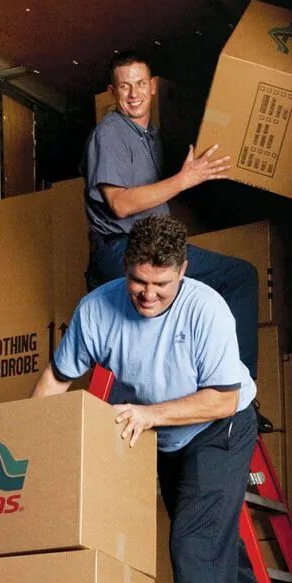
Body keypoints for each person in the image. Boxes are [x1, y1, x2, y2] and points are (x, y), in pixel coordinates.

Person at [33, 215, 292, 583]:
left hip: (217, 429)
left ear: (182, 272)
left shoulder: (206, 310)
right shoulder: (98, 309)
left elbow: (224, 398)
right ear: (126, 267)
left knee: (194, 545)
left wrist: (149, 414)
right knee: (218, 557)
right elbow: (57, 377)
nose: (148, 294)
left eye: (161, 284)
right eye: (138, 280)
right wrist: (31, 444)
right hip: (164, 438)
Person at [84, 50, 265, 394]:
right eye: (125, 87)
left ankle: (206, 385)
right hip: (122, 253)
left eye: (140, 84)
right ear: (112, 92)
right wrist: (185, 179)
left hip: (148, 249)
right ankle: (237, 388)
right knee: (239, 277)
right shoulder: (111, 134)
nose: (134, 94)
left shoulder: (148, 135)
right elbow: (120, 204)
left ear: (153, 87)